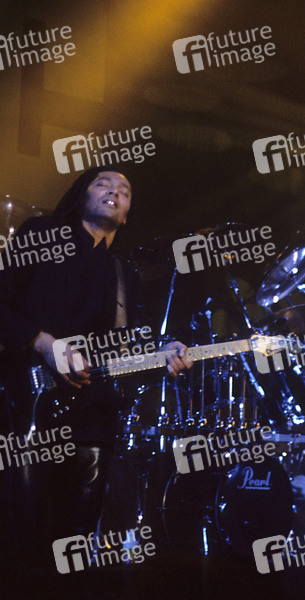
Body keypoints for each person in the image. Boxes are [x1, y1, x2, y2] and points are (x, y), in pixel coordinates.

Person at [0, 166, 193, 562]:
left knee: (75, 537)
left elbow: (122, 351)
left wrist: (162, 353)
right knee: (20, 530)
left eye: (124, 190)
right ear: (80, 195)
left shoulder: (123, 275)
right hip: (26, 403)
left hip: (92, 415)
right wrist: (42, 341)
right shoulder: (41, 234)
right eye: (102, 183)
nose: (114, 191)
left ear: (127, 214)